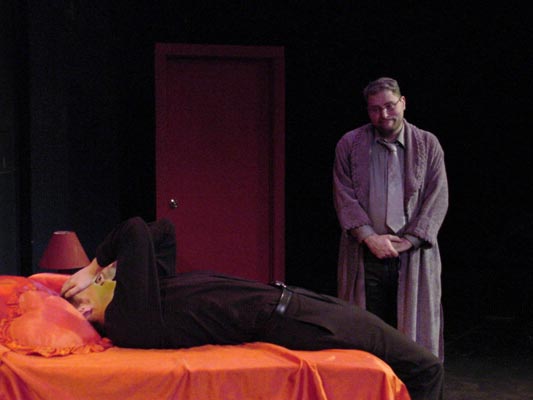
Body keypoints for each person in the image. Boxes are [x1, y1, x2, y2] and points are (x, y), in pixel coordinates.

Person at [62, 217, 444, 400]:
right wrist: (91, 268)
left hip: (291, 304)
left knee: (417, 363)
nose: (99, 281)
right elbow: (132, 230)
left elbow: (163, 231)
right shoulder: (129, 321)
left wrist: (106, 269)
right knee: (424, 366)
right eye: (88, 289)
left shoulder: (149, 299)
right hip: (291, 319)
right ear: (84, 312)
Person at [333, 77, 449, 360]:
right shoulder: (350, 144)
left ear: (403, 103)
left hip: (413, 256)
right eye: (375, 109)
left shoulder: (428, 144)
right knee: (365, 333)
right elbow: (343, 195)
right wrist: (370, 238)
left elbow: (437, 197)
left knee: (411, 337)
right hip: (365, 253)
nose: (383, 114)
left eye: (389, 106)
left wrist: (409, 241)